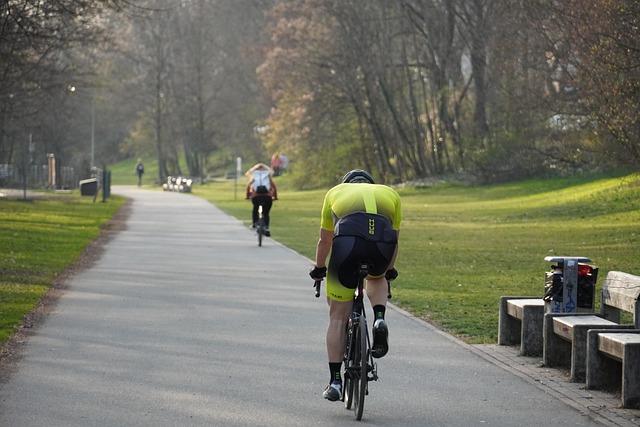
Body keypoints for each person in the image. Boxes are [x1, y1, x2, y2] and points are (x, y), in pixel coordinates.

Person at [310, 169, 401, 402]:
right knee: (377, 277)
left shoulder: (335, 192)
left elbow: (325, 239)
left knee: (338, 318)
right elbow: (394, 239)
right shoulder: (390, 194)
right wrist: (388, 270)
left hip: (347, 246)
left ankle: (335, 382)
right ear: (372, 183)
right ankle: (379, 317)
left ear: (347, 183)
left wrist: (319, 268)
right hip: (381, 248)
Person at [245, 163, 278, 236]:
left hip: (256, 197)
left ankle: (254, 224)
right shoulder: (267, 175)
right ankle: (266, 228)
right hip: (267, 197)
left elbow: (248, 185)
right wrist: (275, 197)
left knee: (255, 210)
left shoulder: (253, 175)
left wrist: (247, 196)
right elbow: (274, 186)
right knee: (266, 213)